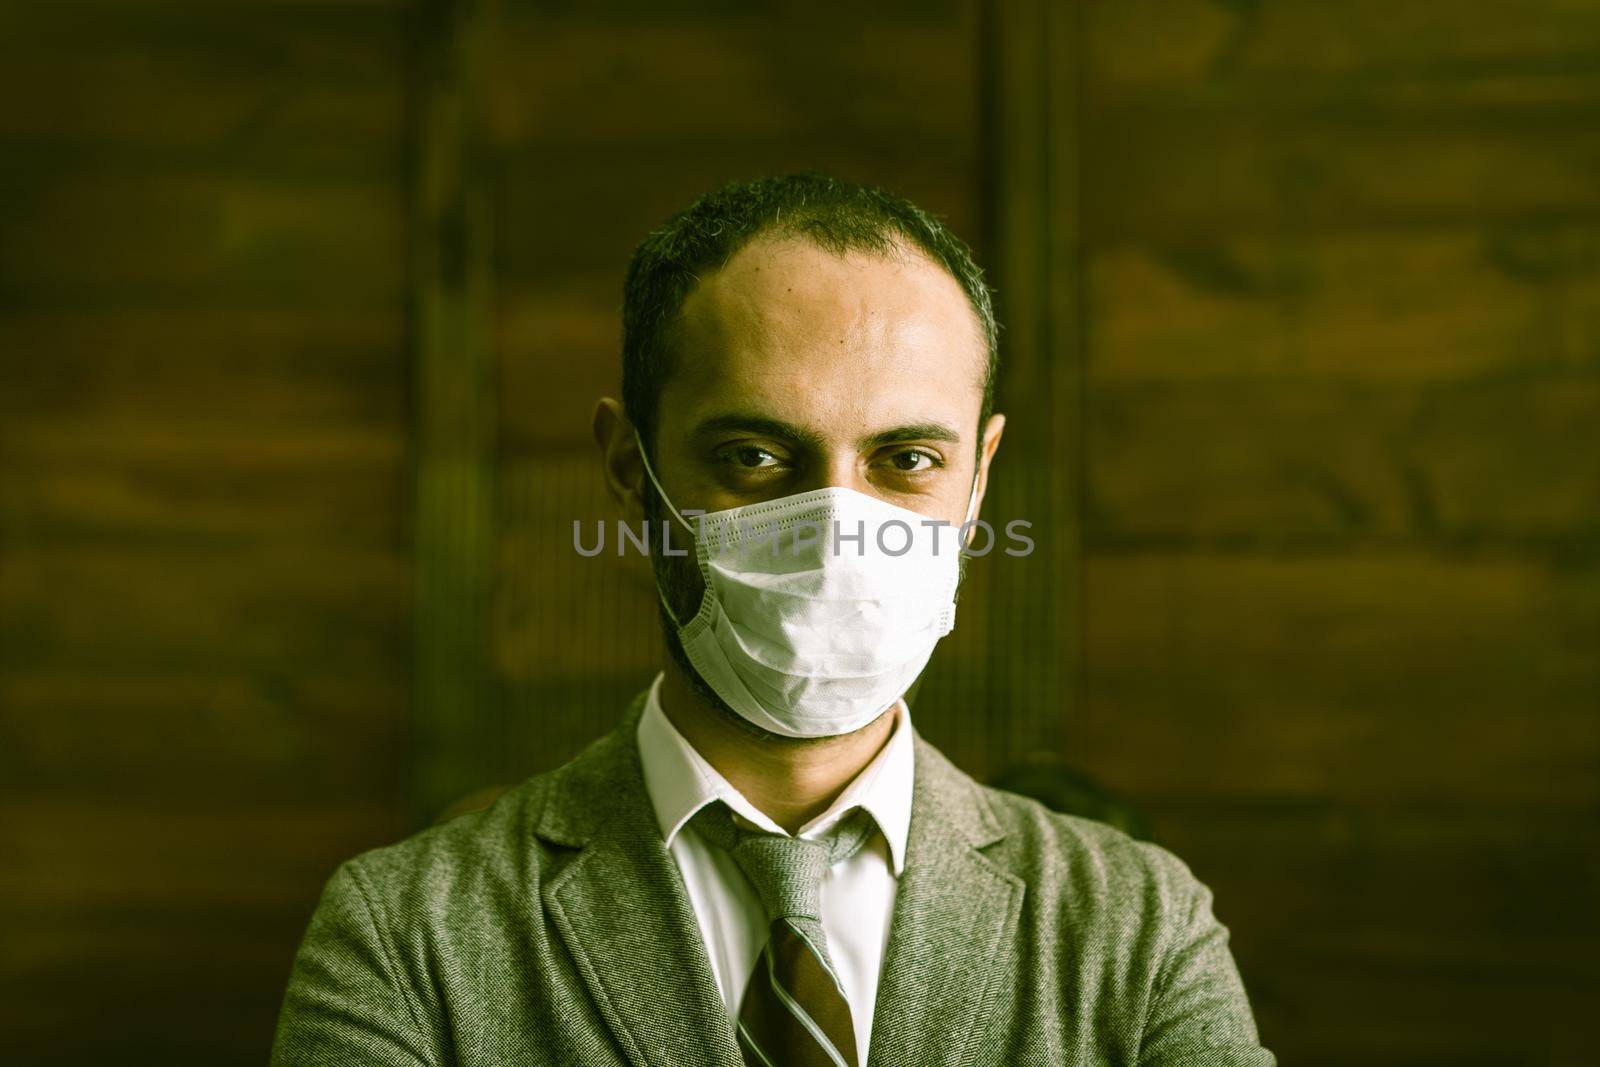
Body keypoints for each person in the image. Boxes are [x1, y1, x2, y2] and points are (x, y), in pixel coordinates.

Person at [270, 172, 1275, 1066]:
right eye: (755, 456)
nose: (840, 532)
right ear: (631, 467)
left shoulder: (1136, 924)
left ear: (978, 480)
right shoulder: (410, 932)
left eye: (907, 459)